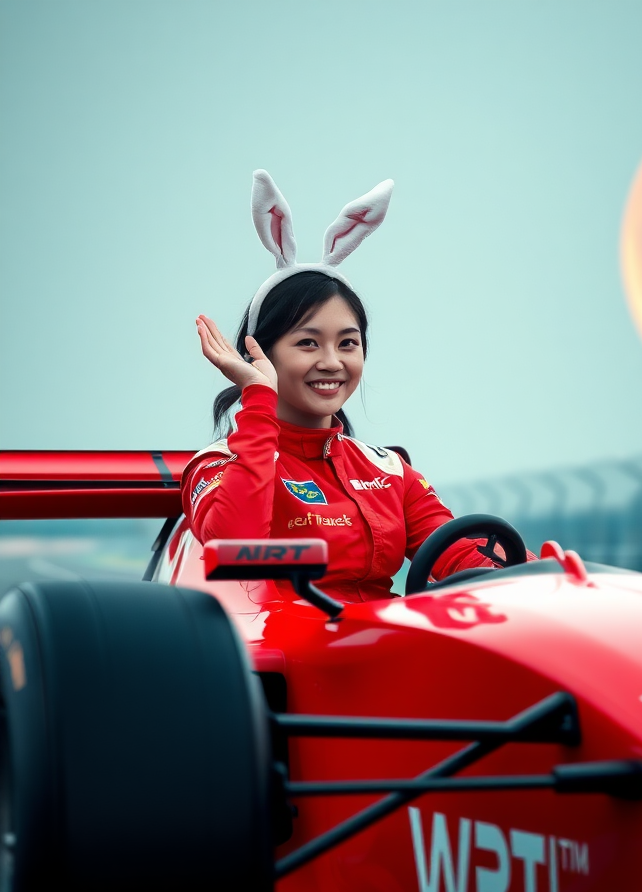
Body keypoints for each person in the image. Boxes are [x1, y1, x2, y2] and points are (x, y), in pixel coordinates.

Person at [181, 170, 512, 603]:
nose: (332, 362)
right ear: (260, 353)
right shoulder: (214, 466)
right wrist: (258, 397)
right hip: (284, 662)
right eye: (307, 343)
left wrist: (543, 570)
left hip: (388, 651)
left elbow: (461, 558)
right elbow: (233, 546)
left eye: (348, 343)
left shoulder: (388, 470)